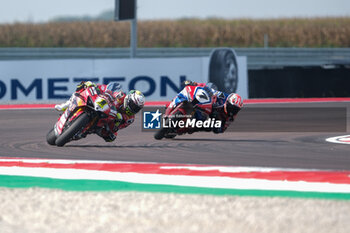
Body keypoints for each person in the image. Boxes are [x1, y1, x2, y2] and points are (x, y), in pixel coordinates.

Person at [55, 81, 145, 142]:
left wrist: (116, 124)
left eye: (136, 108)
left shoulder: (129, 119)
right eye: (133, 105)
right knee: (85, 85)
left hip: (105, 122)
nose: (134, 109)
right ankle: (67, 104)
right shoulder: (120, 96)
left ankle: (85, 130)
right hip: (100, 106)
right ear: (128, 99)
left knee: (111, 138)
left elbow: (116, 129)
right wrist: (96, 88)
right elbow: (105, 89)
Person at [170, 80, 243, 133]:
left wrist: (216, 123)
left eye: (235, 109)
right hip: (206, 106)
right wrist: (194, 83)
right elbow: (210, 89)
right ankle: (175, 104)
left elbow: (221, 129)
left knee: (205, 126)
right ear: (227, 102)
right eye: (232, 108)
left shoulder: (231, 117)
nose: (232, 111)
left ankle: (183, 129)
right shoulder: (223, 96)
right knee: (193, 99)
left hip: (208, 118)